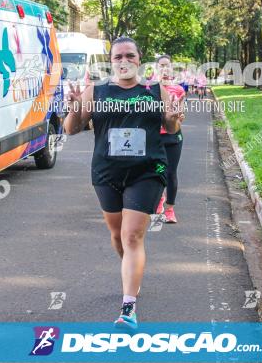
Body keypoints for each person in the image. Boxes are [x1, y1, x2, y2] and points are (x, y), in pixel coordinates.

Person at [63, 36, 184, 329]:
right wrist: (76, 108)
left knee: (132, 236)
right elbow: (71, 130)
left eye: (130, 55)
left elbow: (171, 126)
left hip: (147, 170)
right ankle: (132, 273)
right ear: (111, 61)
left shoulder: (156, 90)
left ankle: (128, 307)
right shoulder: (98, 89)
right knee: (118, 236)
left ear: (139, 60)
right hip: (107, 171)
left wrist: (172, 118)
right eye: (118, 57)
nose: (124, 61)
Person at [154, 55, 186, 223]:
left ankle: (170, 209)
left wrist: (177, 117)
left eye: (167, 66)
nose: (165, 69)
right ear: (156, 68)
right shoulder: (148, 89)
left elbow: (182, 118)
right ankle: (159, 197)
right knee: (158, 171)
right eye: (161, 66)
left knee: (171, 173)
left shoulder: (179, 90)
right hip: (155, 138)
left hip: (173, 137)